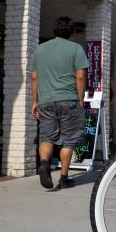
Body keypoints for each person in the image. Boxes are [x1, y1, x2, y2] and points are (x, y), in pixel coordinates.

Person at [31, 16, 89, 190]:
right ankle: (64, 178)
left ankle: (43, 164)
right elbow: (80, 76)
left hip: (46, 100)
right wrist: (80, 99)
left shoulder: (40, 49)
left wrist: (35, 101)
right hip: (68, 99)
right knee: (68, 140)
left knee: (46, 136)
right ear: (71, 32)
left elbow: (34, 77)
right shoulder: (76, 48)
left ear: (55, 30)